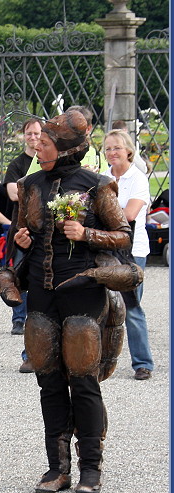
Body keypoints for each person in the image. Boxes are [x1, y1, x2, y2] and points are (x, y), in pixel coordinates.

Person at [0, 109, 137, 493]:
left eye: (44, 142)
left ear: (65, 149)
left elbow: (122, 236)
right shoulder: (29, 185)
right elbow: (16, 235)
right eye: (38, 140)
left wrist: (87, 232)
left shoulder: (97, 185)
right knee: (49, 383)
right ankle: (56, 468)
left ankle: (90, 468)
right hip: (42, 296)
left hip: (83, 293)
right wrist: (21, 239)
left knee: (83, 380)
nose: (36, 145)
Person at [102, 129, 154, 380]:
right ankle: (98, 359)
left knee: (131, 307)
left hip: (133, 250)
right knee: (101, 305)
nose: (112, 152)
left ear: (128, 151)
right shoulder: (103, 177)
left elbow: (131, 214)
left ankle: (142, 362)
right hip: (106, 246)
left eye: (117, 148)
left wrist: (106, 210)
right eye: (108, 148)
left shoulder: (137, 179)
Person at [4, 117, 41, 363]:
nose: (33, 137)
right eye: (29, 133)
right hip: (21, 224)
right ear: (24, 136)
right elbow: (11, 192)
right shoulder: (18, 163)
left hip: (40, 225)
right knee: (18, 271)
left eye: (37, 133)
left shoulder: (48, 160)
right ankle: (19, 317)